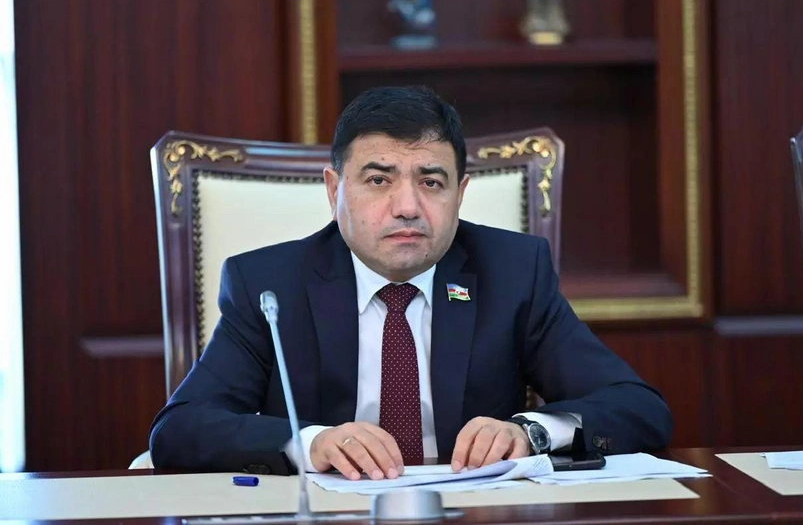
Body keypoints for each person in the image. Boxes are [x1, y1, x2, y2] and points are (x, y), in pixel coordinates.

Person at [148, 85, 672, 480]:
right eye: (378, 180)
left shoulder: (513, 272)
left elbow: (638, 407)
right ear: (334, 190)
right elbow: (181, 429)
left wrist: (531, 431)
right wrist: (311, 443)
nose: (406, 207)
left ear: (460, 193)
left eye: (431, 182)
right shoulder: (268, 284)